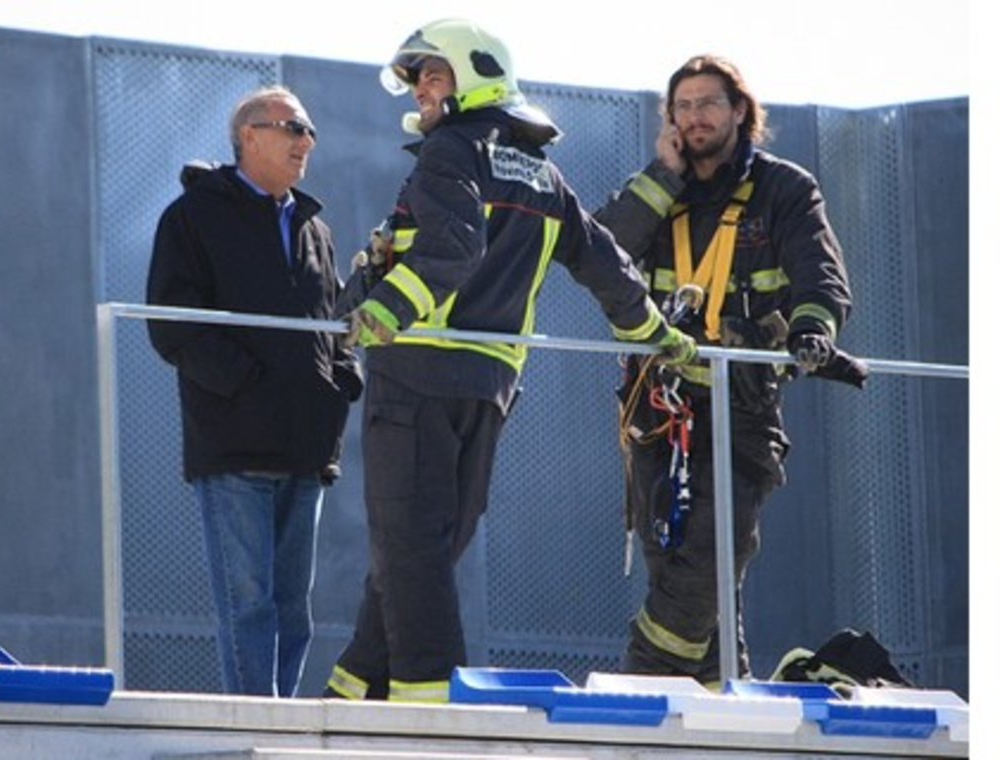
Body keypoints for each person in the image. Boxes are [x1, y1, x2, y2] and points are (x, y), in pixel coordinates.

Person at [323, 18, 697, 703]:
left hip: (415, 375)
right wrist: (653, 331)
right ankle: (353, 691)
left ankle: (427, 712)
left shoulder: (449, 154)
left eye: (433, 75)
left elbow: (451, 251)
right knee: (428, 544)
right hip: (489, 386)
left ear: (472, 76)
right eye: (418, 80)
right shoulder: (542, 172)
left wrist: (383, 310)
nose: (422, 92)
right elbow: (605, 265)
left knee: (411, 546)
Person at [594, 54, 864, 686]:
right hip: (657, 408)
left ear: (740, 111)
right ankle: (722, 705)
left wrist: (813, 330)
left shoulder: (785, 189)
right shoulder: (660, 188)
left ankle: (643, 683)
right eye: (681, 107)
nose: (694, 118)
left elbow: (821, 276)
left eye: (707, 104)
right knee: (674, 562)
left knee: (717, 554)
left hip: (740, 405)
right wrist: (662, 174)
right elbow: (602, 253)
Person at [146, 85, 363, 697]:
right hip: (235, 446)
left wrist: (339, 382)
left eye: (310, 132)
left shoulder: (315, 228)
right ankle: (252, 724)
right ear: (249, 136)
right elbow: (173, 325)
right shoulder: (190, 218)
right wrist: (247, 384)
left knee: (294, 611)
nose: (306, 142)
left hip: (305, 449)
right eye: (293, 128)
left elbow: (336, 320)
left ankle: (282, 727)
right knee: (250, 608)